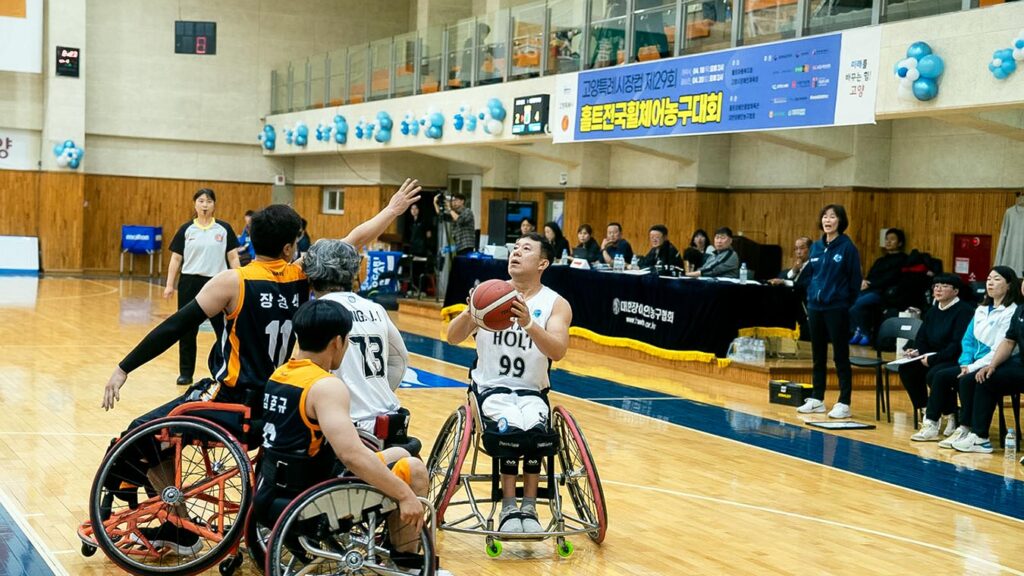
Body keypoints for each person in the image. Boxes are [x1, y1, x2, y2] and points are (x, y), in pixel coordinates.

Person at [102, 178, 422, 418]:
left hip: (235, 398)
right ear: (288, 248)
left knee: (142, 431)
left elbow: (175, 326)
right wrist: (392, 210)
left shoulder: (232, 282)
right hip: (279, 395)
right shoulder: (299, 275)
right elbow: (352, 240)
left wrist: (124, 367)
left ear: (252, 238)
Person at [254, 299, 427, 554]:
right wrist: (404, 494)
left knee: (401, 452)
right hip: (315, 499)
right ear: (338, 342)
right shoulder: (326, 386)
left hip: (271, 491)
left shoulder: (279, 375)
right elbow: (351, 456)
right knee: (415, 471)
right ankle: (407, 561)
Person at [445, 233, 572, 534]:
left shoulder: (555, 303)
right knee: (511, 430)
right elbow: (452, 337)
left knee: (537, 433)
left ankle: (529, 507)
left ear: (542, 263)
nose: (516, 252)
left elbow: (558, 351)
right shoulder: (488, 295)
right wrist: (471, 311)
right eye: (514, 248)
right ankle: (508, 506)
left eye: (526, 249)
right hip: (490, 390)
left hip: (531, 391)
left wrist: (529, 323)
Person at [302, 239, 412, 441]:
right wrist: (374, 395)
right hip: (389, 419)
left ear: (311, 274)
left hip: (345, 425)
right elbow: (400, 360)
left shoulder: (316, 312)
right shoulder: (376, 309)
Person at [927, 267, 1019, 451]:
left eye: (997, 279)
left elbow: (1001, 347)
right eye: (989, 279)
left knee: (969, 380)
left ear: (1009, 285)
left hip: (994, 362)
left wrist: (972, 368)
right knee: (940, 376)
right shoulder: (981, 309)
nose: (990, 283)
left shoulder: (1011, 311)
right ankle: (931, 423)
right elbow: (967, 339)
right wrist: (965, 363)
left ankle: (966, 428)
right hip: (972, 362)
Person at [164, 188, 240, 386]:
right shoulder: (186, 229)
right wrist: (169, 284)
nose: (205, 205)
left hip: (218, 282)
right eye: (201, 201)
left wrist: (240, 280)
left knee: (223, 329)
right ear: (195, 204)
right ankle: (185, 373)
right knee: (187, 329)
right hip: (190, 283)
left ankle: (226, 369)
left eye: (209, 201)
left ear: (214, 205)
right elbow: (176, 259)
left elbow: (233, 257)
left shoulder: (224, 229)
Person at [797, 205, 862, 419]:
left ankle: (844, 401)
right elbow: (811, 276)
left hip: (837, 307)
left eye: (832, 217)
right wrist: (811, 296)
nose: (828, 220)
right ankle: (817, 398)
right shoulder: (816, 247)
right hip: (815, 307)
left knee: (840, 356)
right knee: (818, 355)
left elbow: (854, 280)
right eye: (825, 216)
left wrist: (844, 302)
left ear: (840, 221)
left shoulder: (847, 248)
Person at [903, 275, 976, 441]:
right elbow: (922, 337)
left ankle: (945, 415)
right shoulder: (933, 311)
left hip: (956, 357)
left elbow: (958, 344)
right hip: (933, 356)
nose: (938, 289)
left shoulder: (964, 311)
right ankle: (928, 409)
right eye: (936, 286)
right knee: (907, 368)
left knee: (935, 374)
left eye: (944, 286)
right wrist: (916, 351)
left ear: (955, 291)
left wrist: (932, 359)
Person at [958, 275, 1024, 453]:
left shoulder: (1012, 309)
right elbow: (1008, 341)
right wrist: (992, 365)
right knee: (986, 377)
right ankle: (979, 437)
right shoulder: (1021, 310)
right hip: (1020, 364)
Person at [849, 228, 908, 345]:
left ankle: (865, 333)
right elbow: (871, 275)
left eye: (892, 239)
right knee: (849, 300)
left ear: (900, 243)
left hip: (883, 293)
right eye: (886, 239)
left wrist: (870, 283)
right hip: (870, 289)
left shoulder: (903, 259)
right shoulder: (880, 260)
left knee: (858, 304)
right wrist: (864, 281)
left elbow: (892, 278)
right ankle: (857, 330)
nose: (888, 242)